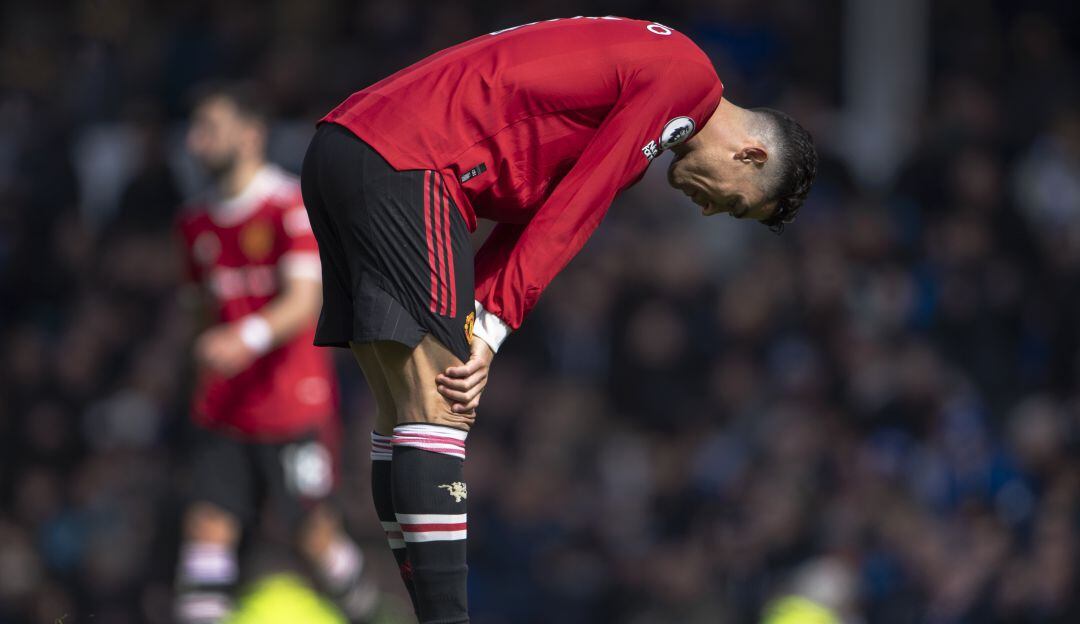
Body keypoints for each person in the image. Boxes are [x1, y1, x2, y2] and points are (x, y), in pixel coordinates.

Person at [300, 16, 817, 623]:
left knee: (400, 412)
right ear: (751, 154)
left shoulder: (652, 78)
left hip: (350, 146)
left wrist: (479, 316)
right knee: (441, 405)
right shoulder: (687, 83)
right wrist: (493, 324)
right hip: (412, 162)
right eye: (735, 203)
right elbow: (578, 207)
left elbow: (536, 218)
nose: (710, 211)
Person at [174, 84, 377, 624]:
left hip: (291, 403)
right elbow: (199, 310)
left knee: (314, 536)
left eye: (209, 129)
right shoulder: (194, 223)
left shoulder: (288, 205)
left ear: (250, 134)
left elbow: (304, 301)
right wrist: (204, 354)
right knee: (207, 529)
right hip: (225, 406)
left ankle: (371, 614)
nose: (196, 142)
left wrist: (243, 339)